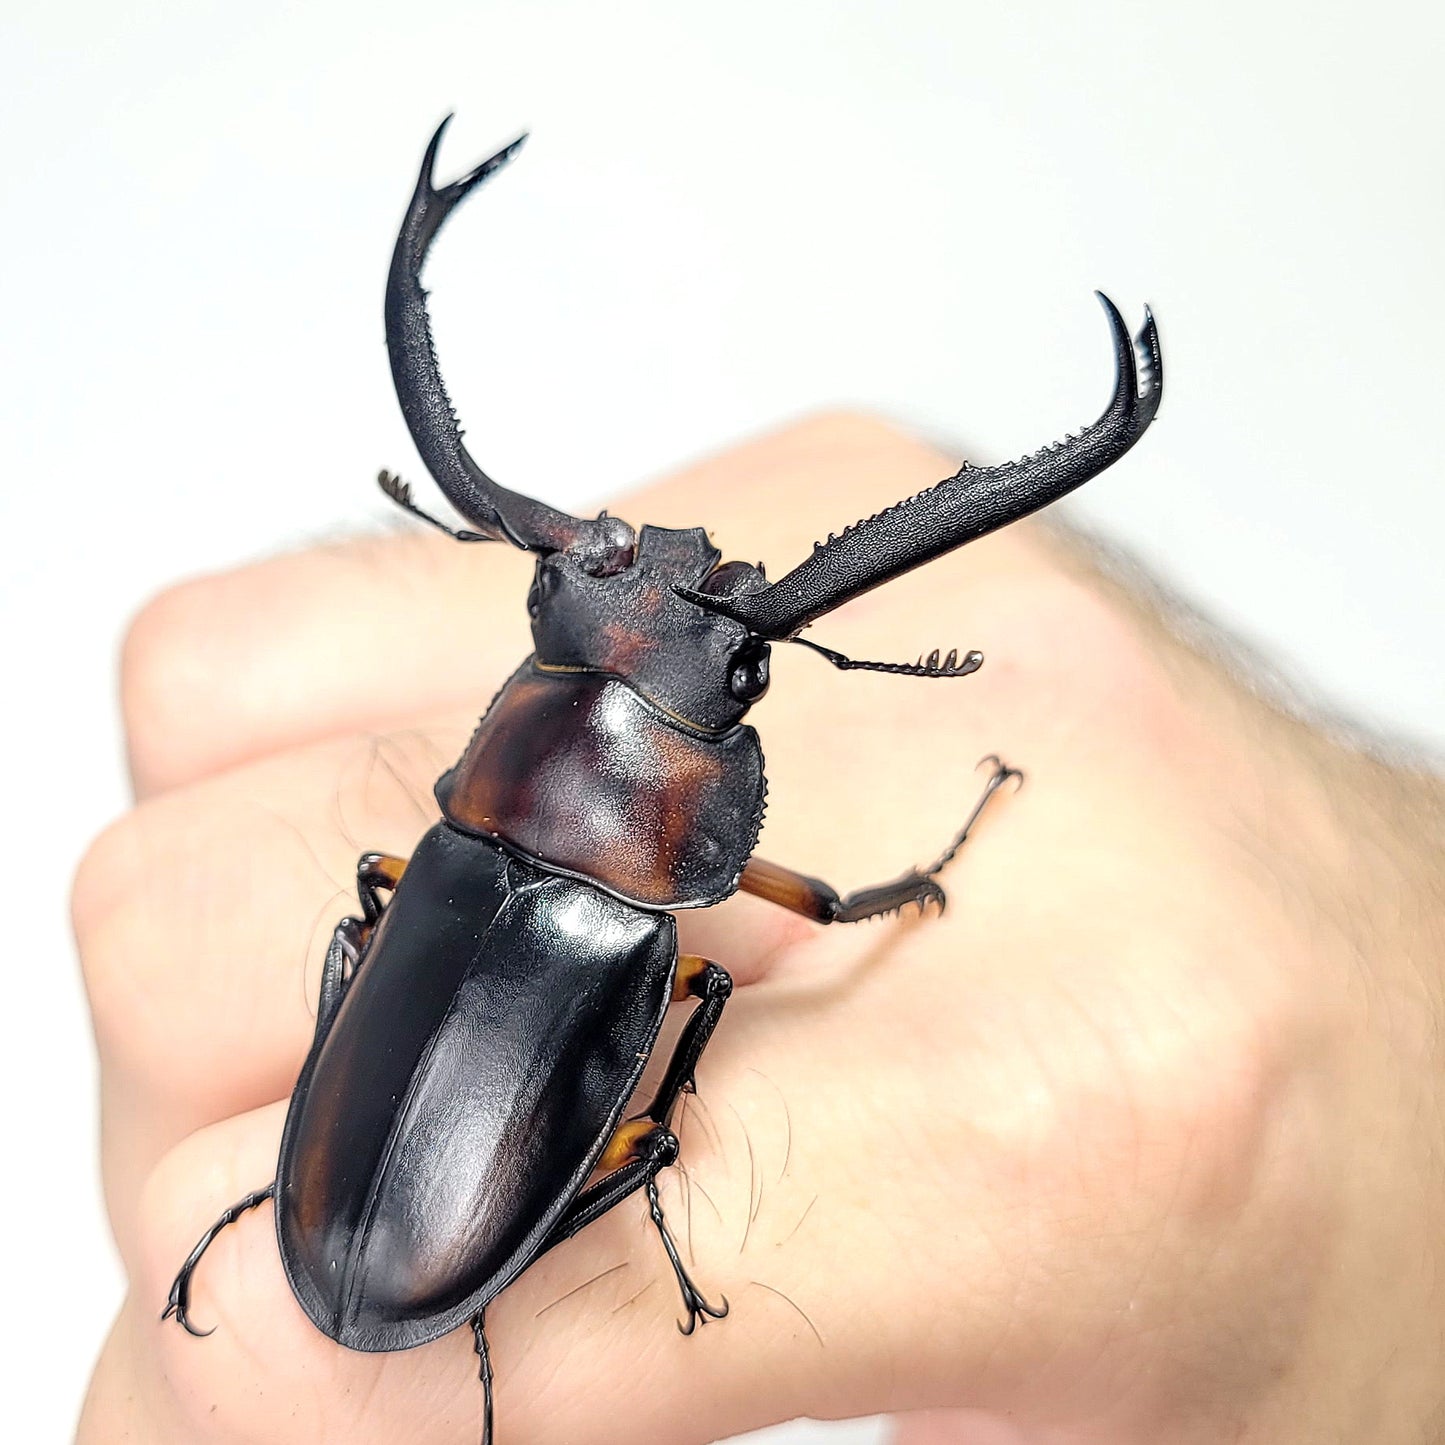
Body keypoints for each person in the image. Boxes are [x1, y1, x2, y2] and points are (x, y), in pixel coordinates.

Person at [73, 415, 1445, 1444]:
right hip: (416, 1220)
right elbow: (806, 916)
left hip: (372, 1202)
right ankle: (548, 1212)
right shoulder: (574, 906)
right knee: (651, 1058)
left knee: (362, 919)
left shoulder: (429, 859)